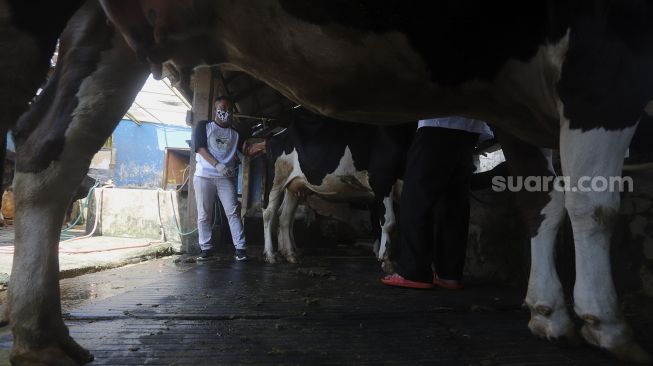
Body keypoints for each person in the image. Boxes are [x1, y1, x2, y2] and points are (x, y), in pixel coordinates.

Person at [382, 117, 493, 289]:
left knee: (415, 198)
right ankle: (449, 275)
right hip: (470, 129)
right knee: (454, 203)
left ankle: (413, 272)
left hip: (437, 125)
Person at [192, 96, 265, 261]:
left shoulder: (235, 133)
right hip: (204, 176)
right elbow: (200, 148)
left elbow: (247, 150)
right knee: (204, 214)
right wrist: (217, 164)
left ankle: (240, 249)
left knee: (233, 212)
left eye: (229, 109)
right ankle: (206, 248)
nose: (226, 111)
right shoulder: (204, 126)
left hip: (225, 178)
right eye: (223, 107)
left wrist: (262, 146)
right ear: (215, 109)